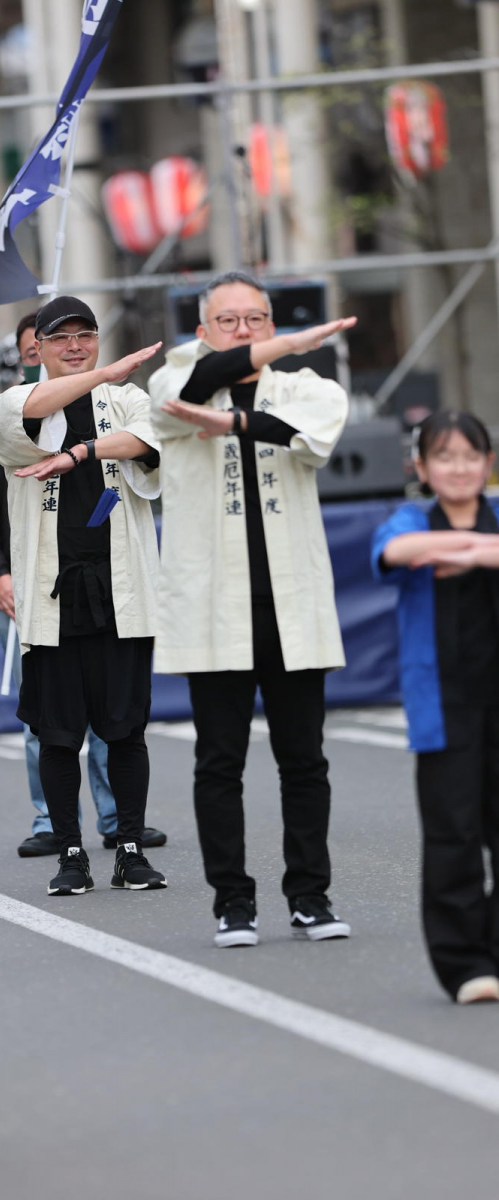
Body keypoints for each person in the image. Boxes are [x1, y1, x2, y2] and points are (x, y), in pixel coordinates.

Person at [148, 270, 355, 947]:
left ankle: (310, 896)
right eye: (228, 320)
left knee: (304, 760)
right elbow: (185, 395)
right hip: (215, 607)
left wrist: (235, 420)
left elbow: (300, 431)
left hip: (289, 603)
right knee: (219, 761)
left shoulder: (307, 386)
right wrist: (226, 398)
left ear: (274, 325)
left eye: (258, 319)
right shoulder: (174, 378)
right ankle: (231, 902)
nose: (244, 331)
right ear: (202, 329)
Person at [0, 314, 166, 858]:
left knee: (124, 728)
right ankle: (64, 841)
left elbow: (147, 440)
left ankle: (127, 840)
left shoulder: (126, 399)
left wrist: (82, 451)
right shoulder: (9, 404)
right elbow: (16, 430)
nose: (75, 347)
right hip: (51, 594)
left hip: (118, 590)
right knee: (56, 731)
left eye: (85, 336)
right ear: (37, 348)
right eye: (60, 338)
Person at [372, 411, 499, 1004]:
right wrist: (478, 546)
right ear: (421, 468)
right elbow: (398, 550)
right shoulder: (411, 517)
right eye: (444, 457)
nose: (459, 468)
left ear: (487, 463)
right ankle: (466, 964)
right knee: (453, 835)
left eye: (469, 456)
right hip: (444, 706)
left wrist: (472, 557)